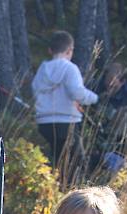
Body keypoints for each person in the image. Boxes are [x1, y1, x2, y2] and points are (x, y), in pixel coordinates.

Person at [32, 30, 99, 187]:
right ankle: (70, 193)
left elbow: (35, 89)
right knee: (77, 164)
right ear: (70, 50)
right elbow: (77, 92)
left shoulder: (42, 69)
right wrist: (95, 98)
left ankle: (54, 189)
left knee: (57, 160)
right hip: (67, 122)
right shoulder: (70, 69)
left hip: (45, 123)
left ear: (50, 50)